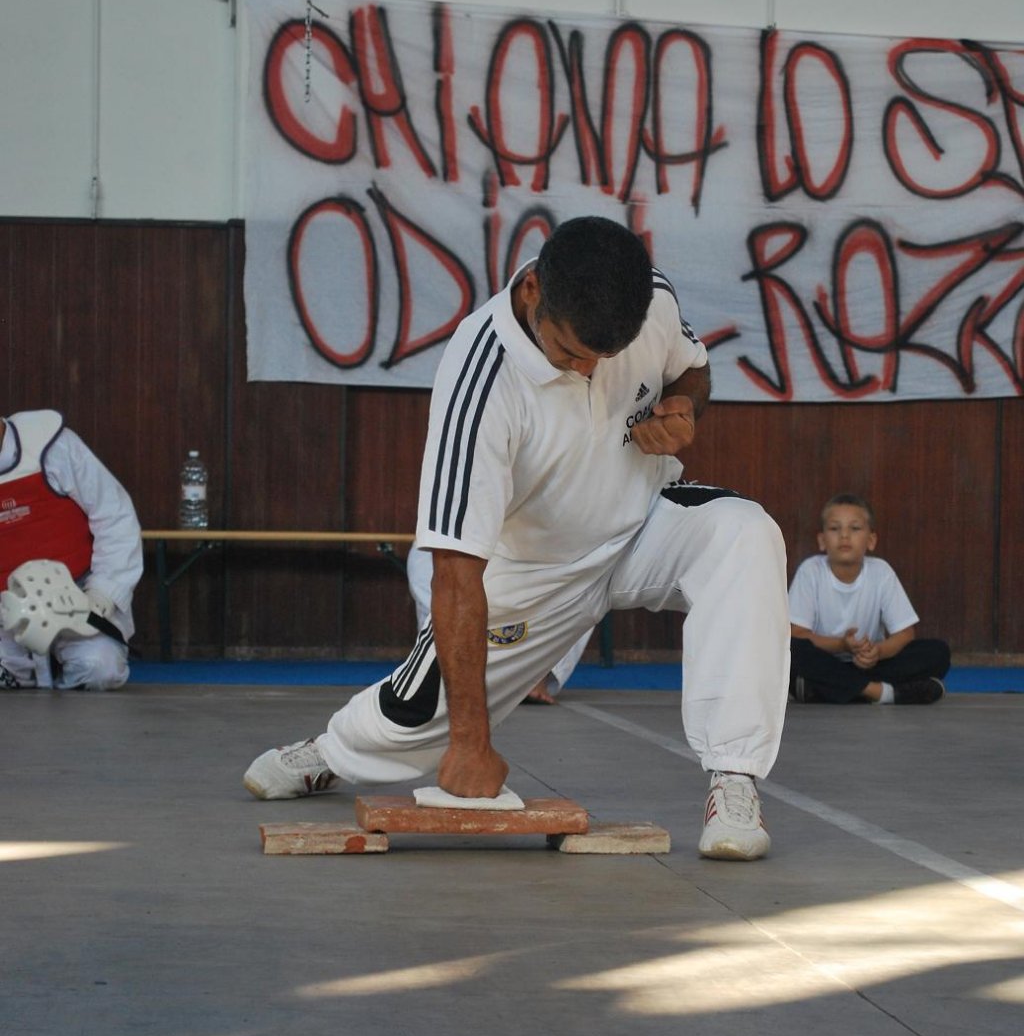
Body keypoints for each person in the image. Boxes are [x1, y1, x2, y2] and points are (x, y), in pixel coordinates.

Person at [245, 217, 790, 860]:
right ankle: (332, 753)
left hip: (642, 525)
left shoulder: (651, 301)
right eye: (570, 352)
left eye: (603, 358)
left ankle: (734, 782)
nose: (586, 368)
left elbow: (692, 372)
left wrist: (684, 410)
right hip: (533, 572)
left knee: (747, 534)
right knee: (413, 718)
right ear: (532, 290)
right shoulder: (480, 378)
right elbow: (454, 569)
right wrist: (471, 745)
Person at [0, 410, 142, 689]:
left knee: (101, 670)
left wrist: (102, 594)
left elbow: (115, 516)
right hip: (6, 613)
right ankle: (19, 669)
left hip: (74, 599)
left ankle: (60, 662)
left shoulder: (52, 446)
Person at [788, 494, 950, 705]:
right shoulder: (811, 571)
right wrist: (841, 645)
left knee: (937, 652)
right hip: (823, 660)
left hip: (867, 665)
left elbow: (905, 633)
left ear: (871, 540)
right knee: (792, 650)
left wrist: (878, 652)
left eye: (854, 529)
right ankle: (880, 693)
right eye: (835, 529)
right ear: (821, 540)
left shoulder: (881, 572)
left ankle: (831, 689)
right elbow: (797, 633)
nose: (844, 536)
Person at [405, 538, 591, 704]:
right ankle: (449, 671)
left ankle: (538, 674)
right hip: (467, 527)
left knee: (588, 566)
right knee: (432, 554)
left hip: (540, 529)